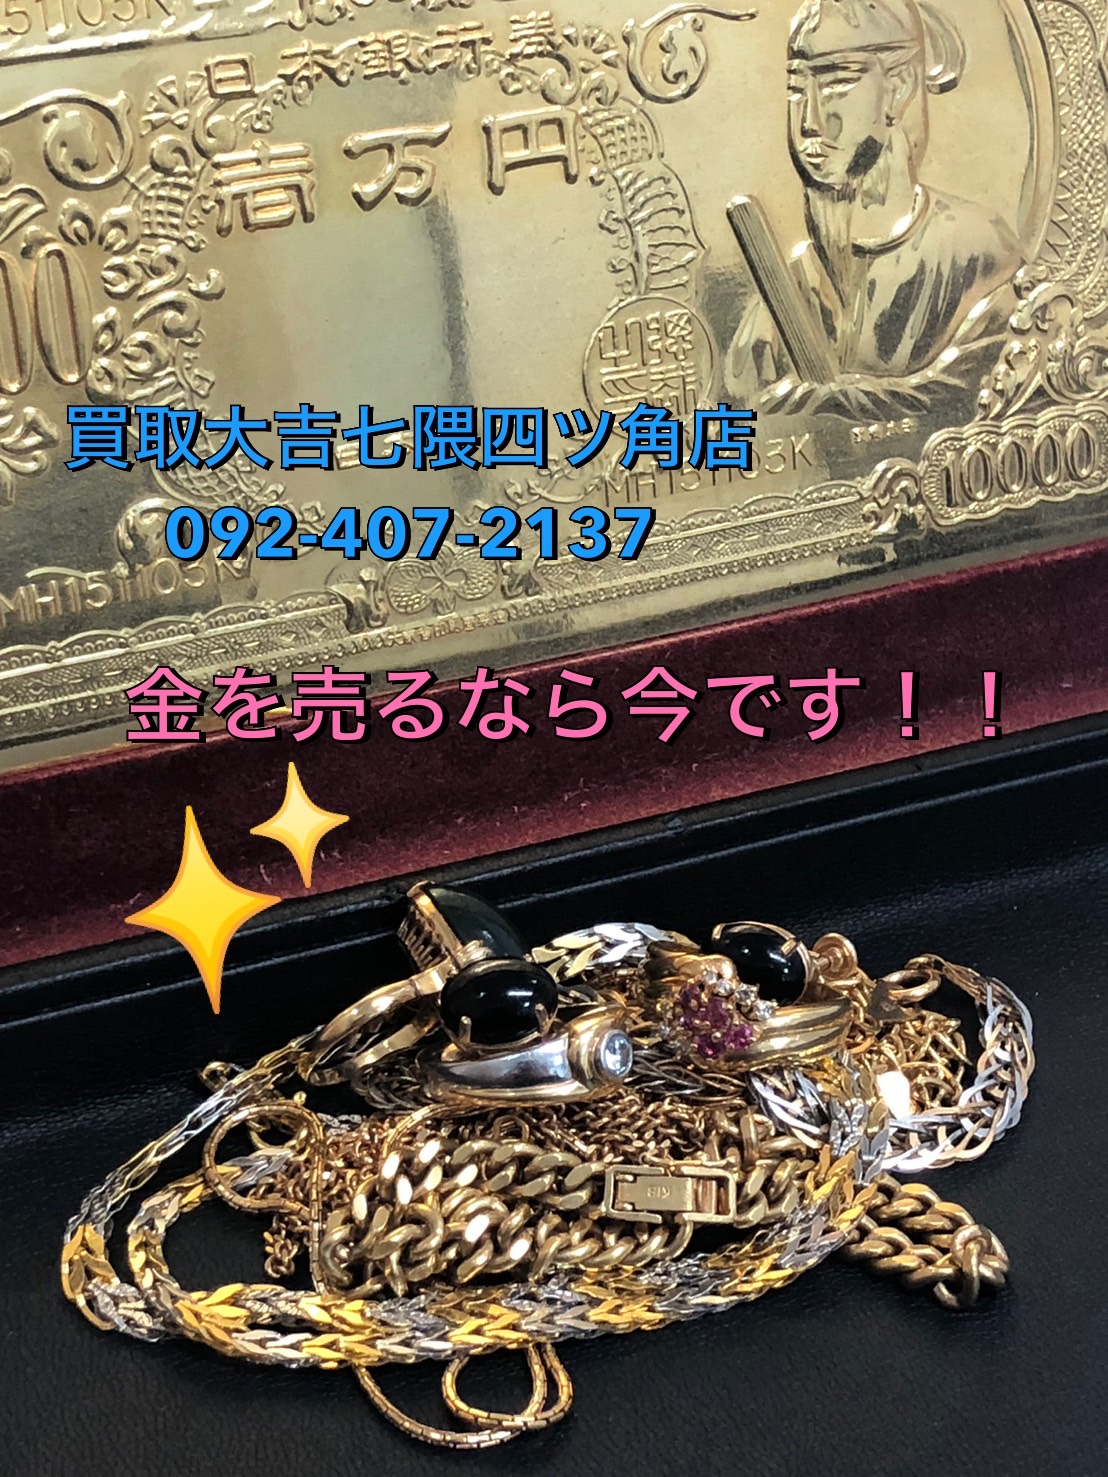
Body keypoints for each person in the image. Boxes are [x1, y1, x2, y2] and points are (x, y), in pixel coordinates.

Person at [725, 0, 1022, 418]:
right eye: (796, 89)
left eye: (836, 84)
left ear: (898, 88)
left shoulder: (979, 254)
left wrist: (822, 401)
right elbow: (733, 419)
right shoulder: (785, 293)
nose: (809, 121)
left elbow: (970, 395)